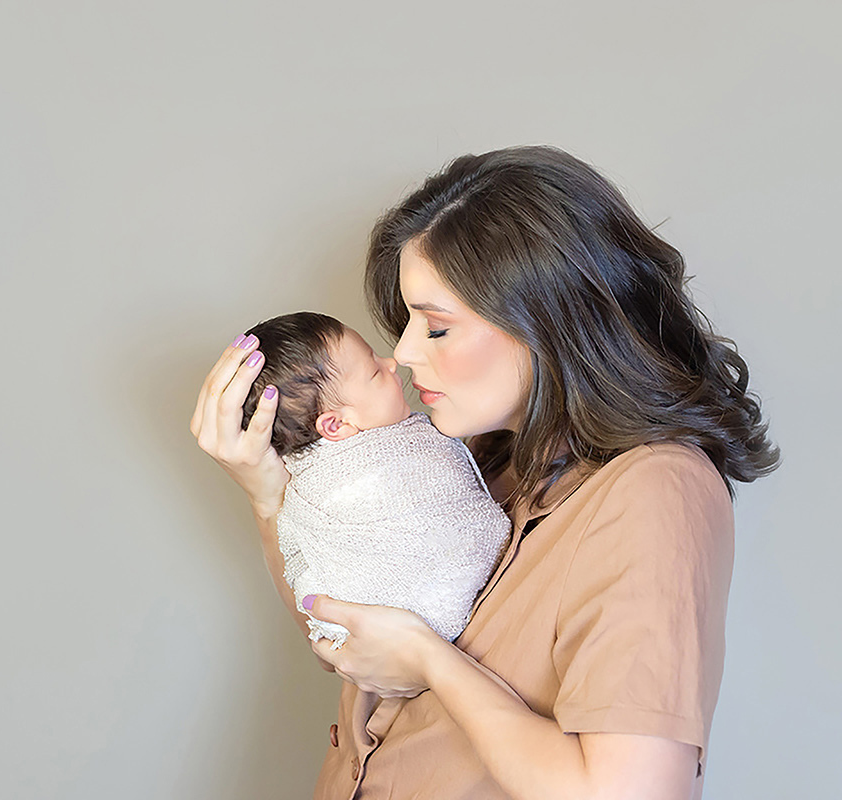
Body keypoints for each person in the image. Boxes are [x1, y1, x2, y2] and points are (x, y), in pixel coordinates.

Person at [190, 145, 779, 799]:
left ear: (548, 324)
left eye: (437, 328)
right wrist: (268, 494)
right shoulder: (473, 465)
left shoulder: (654, 491)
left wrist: (431, 662)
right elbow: (339, 622)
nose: (405, 352)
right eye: (408, 321)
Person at [236, 311, 510, 647]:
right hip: (404, 636)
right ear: (336, 425)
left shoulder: (412, 446)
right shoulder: (328, 485)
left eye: (436, 329)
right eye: (374, 371)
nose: (392, 362)